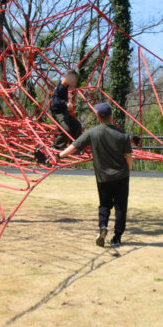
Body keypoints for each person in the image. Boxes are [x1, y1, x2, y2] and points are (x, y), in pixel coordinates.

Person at [56, 102, 132, 247]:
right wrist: (128, 170)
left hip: (103, 177)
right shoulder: (123, 135)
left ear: (98, 116)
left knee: (104, 205)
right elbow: (128, 156)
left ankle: (103, 226)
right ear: (111, 115)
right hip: (121, 176)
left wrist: (59, 156)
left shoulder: (92, 132)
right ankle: (117, 237)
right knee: (121, 207)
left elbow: (74, 147)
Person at [50, 70, 82, 149]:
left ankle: (73, 145)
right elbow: (54, 100)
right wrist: (65, 103)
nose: (75, 83)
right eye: (74, 81)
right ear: (69, 78)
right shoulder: (59, 88)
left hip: (64, 112)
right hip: (58, 113)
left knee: (77, 126)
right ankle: (57, 146)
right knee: (66, 130)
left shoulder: (65, 87)